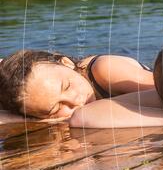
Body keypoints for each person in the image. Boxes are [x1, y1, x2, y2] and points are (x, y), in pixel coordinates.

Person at [0, 50, 153, 123]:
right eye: (56, 108)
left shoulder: (104, 70)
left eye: (67, 86)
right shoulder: (31, 100)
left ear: (67, 63)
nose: (75, 100)